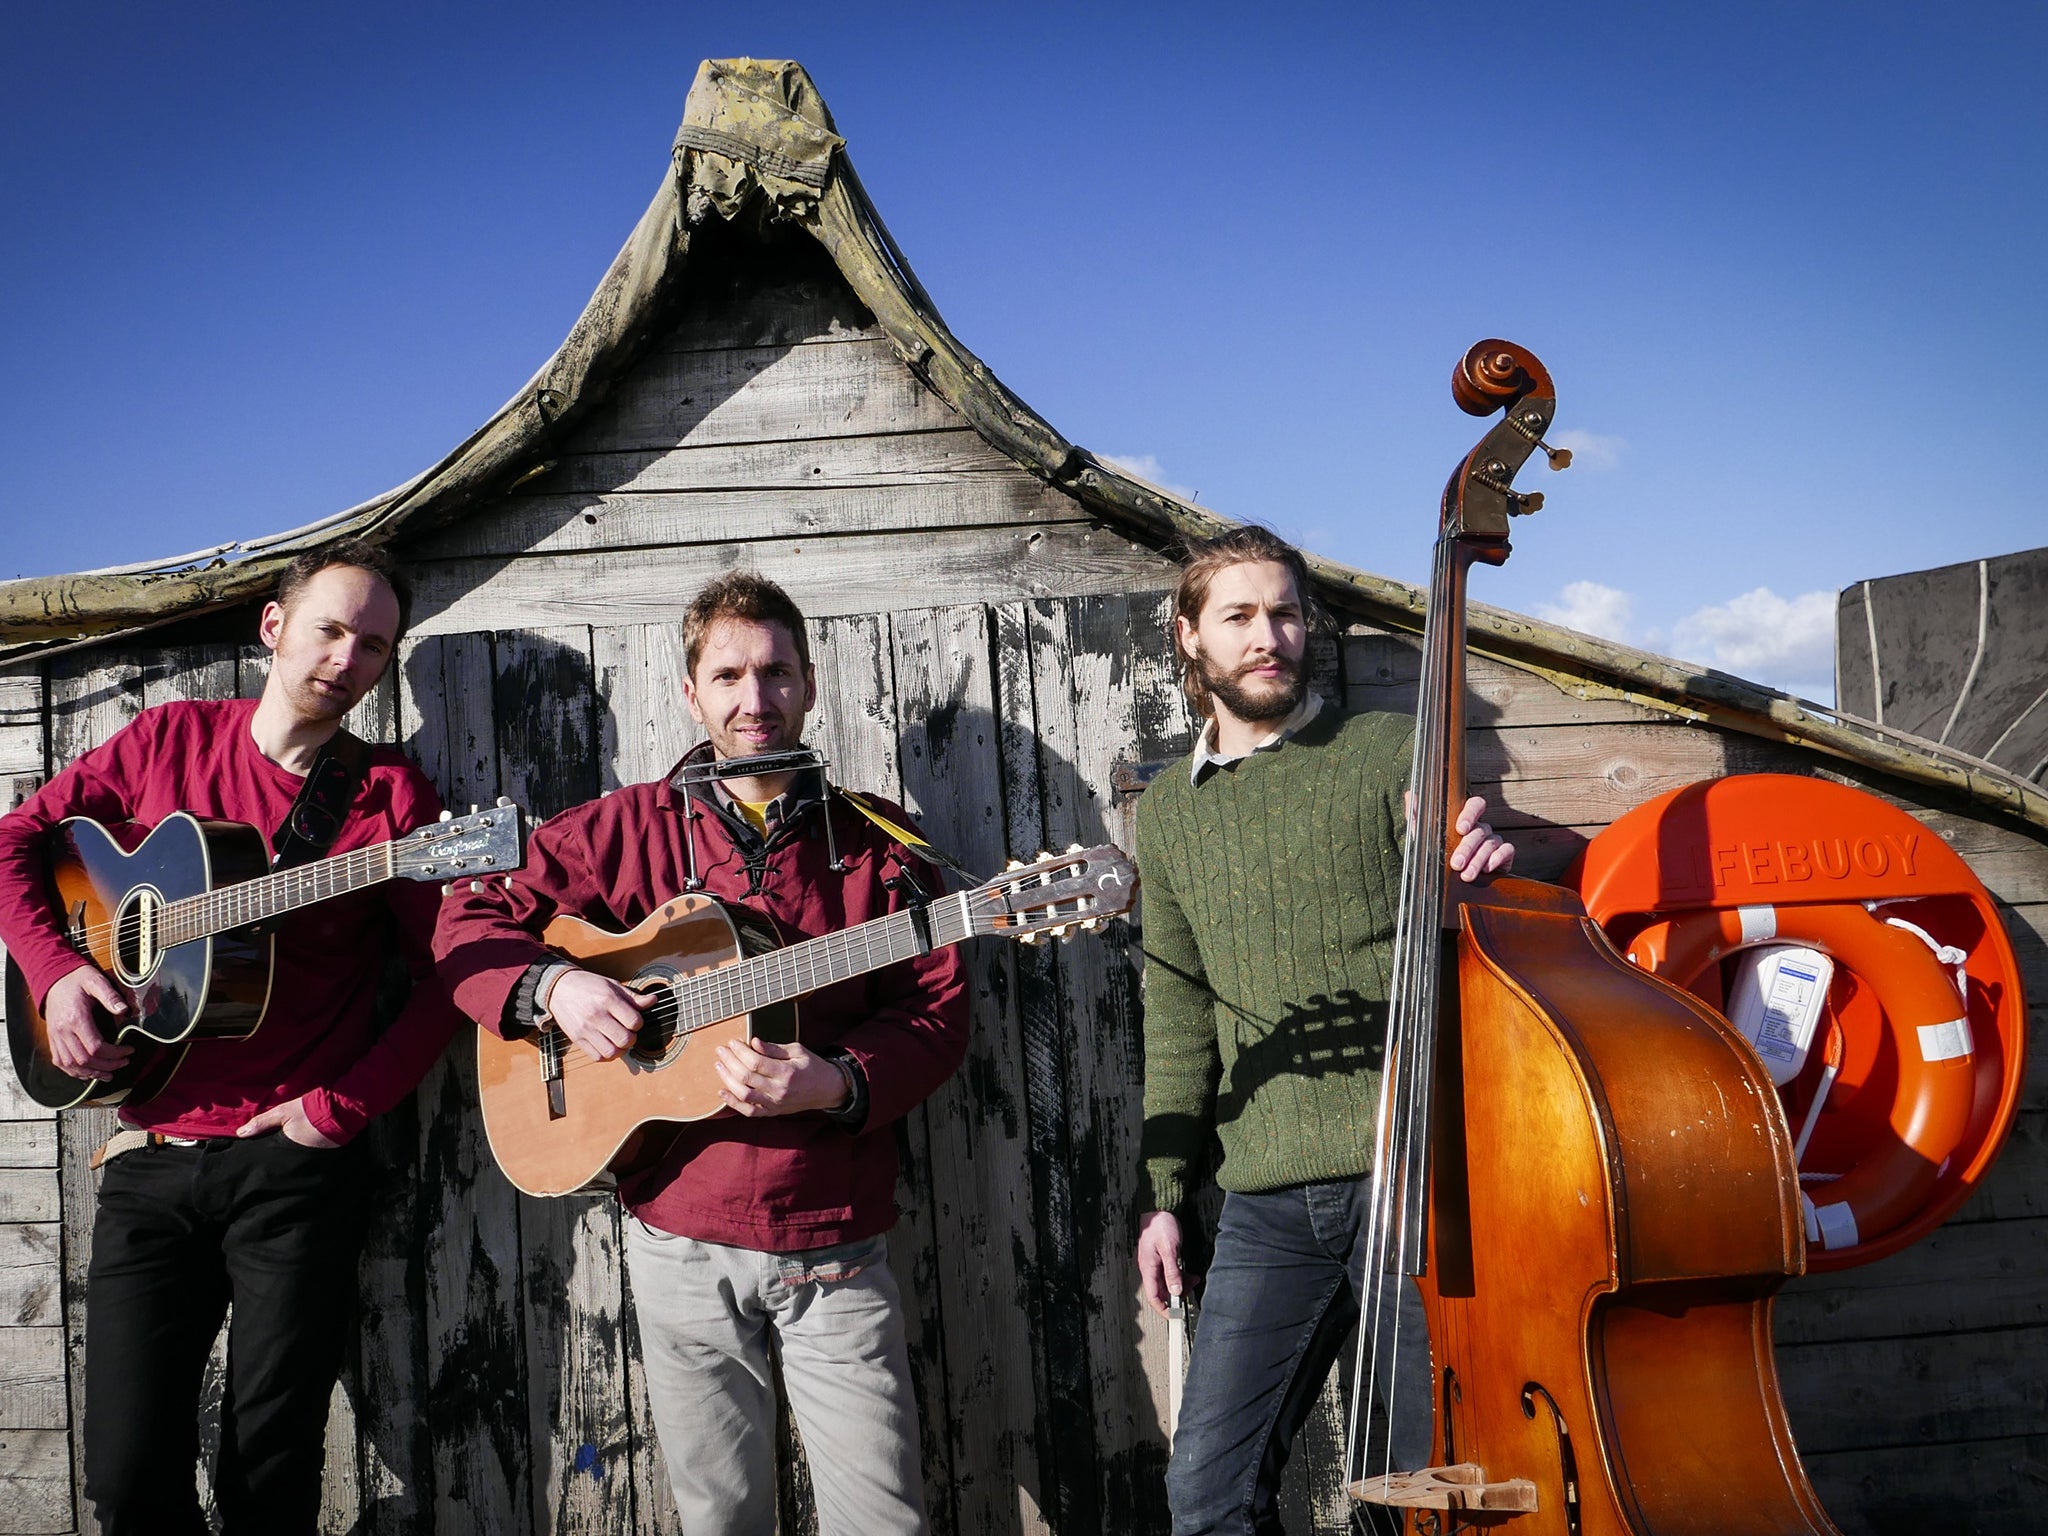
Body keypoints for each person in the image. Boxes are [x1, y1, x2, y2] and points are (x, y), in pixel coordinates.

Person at [433, 571, 968, 1536]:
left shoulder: (881, 845)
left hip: (832, 1239)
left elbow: (936, 1013)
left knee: (883, 1521)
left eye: (773, 673)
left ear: (809, 684)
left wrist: (837, 1079)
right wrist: (557, 986)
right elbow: (469, 917)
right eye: (727, 676)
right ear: (691, 692)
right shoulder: (623, 829)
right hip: (679, 1233)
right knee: (720, 1520)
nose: (752, 699)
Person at [0, 541, 462, 1534]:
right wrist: (58, 972)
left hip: (291, 1169)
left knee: (268, 1479)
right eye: (331, 628)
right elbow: (12, 844)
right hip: (150, 1158)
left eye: (374, 645)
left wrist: (343, 1109)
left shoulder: (392, 803)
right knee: (125, 1479)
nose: (347, 656)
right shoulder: (166, 743)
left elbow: (443, 983)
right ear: (274, 626)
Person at [1130, 525, 1514, 1534]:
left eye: (1287, 612)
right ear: (1189, 638)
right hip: (1263, 1203)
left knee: (1420, 1498)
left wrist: (1475, 864)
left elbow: (1461, 902)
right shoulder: (1167, 813)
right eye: (1241, 616)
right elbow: (1174, 1012)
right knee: (1206, 1497)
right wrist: (1163, 1196)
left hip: (1414, 1185)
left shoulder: (1387, 750)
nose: (1270, 636)